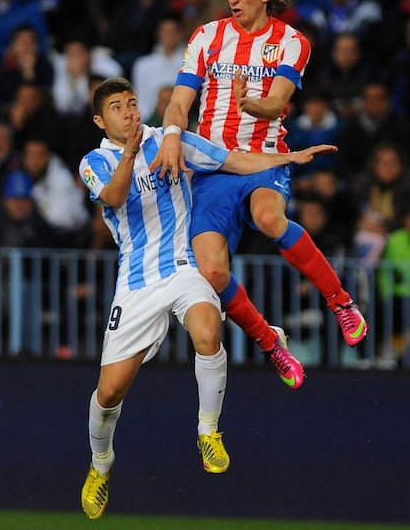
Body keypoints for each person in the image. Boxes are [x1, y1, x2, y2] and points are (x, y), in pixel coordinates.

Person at [79, 77, 336, 519]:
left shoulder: (169, 140)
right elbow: (115, 196)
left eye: (133, 102)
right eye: (118, 107)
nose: (130, 111)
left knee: (206, 331)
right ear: (102, 120)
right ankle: (101, 463)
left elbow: (231, 160)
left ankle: (208, 431)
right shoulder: (94, 161)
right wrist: (130, 154)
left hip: (182, 267)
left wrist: (288, 158)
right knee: (109, 393)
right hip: (137, 283)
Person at [151, 0, 368, 366]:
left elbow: (278, 103)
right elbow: (179, 104)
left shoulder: (291, 42)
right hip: (213, 166)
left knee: (269, 218)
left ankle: (340, 301)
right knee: (212, 274)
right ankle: (270, 342)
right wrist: (174, 135)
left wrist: (253, 105)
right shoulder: (205, 37)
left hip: (264, 157)